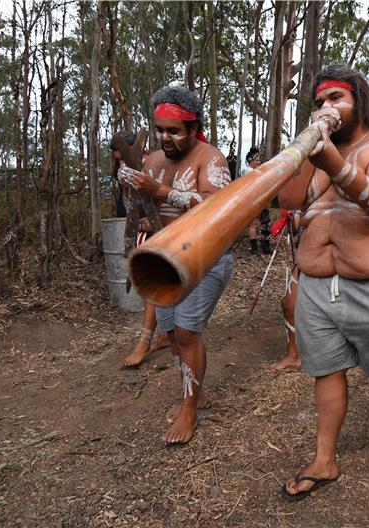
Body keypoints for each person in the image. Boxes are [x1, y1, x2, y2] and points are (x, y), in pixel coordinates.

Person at [278, 64, 369, 501]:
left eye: (336, 99)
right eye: (319, 102)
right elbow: (289, 200)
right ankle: (325, 458)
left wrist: (334, 164)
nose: (326, 108)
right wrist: (304, 153)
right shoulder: (319, 153)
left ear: (360, 102)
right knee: (325, 370)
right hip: (317, 285)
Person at [118, 86, 233, 445]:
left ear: (193, 126)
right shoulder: (151, 162)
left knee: (186, 332)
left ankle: (189, 409)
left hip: (204, 259)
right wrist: (130, 187)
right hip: (166, 259)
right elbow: (142, 213)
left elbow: (219, 209)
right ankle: (195, 392)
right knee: (171, 335)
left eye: (174, 131)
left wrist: (161, 192)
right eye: (160, 129)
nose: (165, 137)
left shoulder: (211, 159)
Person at [112, 131, 172, 368]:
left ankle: (145, 342)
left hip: (170, 232)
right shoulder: (124, 172)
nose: (121, 163)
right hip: (149, 234)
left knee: (155, 285)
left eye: (123, 157)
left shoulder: (159, 162)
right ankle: (165, 334)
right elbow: (133, 206)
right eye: (119, 160)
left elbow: (167, 197)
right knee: (155, 284)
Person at [269, 210, 302, 372]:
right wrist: (290, 218)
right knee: (289, 303)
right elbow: (294, 229)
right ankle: (293, 356)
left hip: (338, 257)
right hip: (307, 256)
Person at [244, 147, 272, 256]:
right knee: (254, 224)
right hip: (254, 201)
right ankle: (254, 249)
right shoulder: (249, 172)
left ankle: (265, 246)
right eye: (257, 160)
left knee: (265, 223)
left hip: (261, 200)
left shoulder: (256, 171)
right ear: (251, 161)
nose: (259, 162)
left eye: (259, 160)